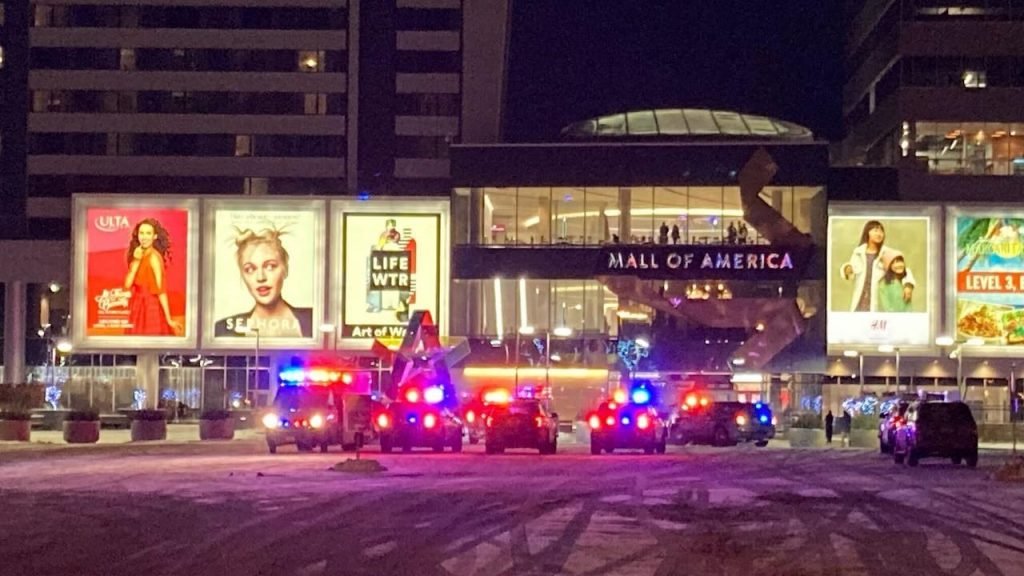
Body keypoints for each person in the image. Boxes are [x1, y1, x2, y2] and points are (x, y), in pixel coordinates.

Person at [215, 227, 313, 338]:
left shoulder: (314, 321)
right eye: (250, 269)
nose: (260, 277)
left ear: (285, 269)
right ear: (243, 275)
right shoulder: (223, 330)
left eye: (270, 266)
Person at [124, 218, 182, 336]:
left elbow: (161, 291)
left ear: (154, 236)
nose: (144, 237)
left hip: (151, 307)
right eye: (141, 233)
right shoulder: (137, 254)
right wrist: (136, 260)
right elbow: (127, 284)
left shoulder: (154, 258)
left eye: (148, 233)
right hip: (137, 306)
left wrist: (169, 319)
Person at [841, 220, 915, 312]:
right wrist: (848, 269)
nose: (879, 234)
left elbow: (903, 269)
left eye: (881, 231)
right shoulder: (858, 252)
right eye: (876, 230)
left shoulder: (887, 252)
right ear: (867, 232)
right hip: (860, 299)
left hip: (878, 299)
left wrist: (908, 286)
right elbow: (850, 274)